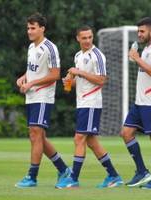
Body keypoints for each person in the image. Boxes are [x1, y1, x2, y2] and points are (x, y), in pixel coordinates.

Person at [55, 25, 123, 189]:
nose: (87, 40)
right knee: (92, 142)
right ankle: (114, 176)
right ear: (78, 38)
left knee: (79, 138)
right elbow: (81, 79)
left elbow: (101, 80)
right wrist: (70, 81)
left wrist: (79, 73)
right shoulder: (78, 55)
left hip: (91, 103)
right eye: (84, 38)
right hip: (82, 102)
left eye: (90, 37)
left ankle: (73, 179)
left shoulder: (97, 55)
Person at [15, 12, 70, 188]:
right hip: (32, 96)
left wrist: (31, 82)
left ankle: (32, 176)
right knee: (38, 137)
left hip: (43, 96)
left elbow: (55, 75)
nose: (29, 31)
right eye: (28, 28)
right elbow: (33, 70)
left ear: (42, 29)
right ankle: (63, 169)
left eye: (33, 28)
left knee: (35, 134)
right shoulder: (32, 47)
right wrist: (24, 78)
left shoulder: (50, 48)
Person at [120, 17, 151, 189]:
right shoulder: (146, 49)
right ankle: (142, 171)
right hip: (140, 102)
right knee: (126, 133)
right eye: (138, 31)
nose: (139, 34)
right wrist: (138, 58)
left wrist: (136, 58)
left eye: (142, 31)